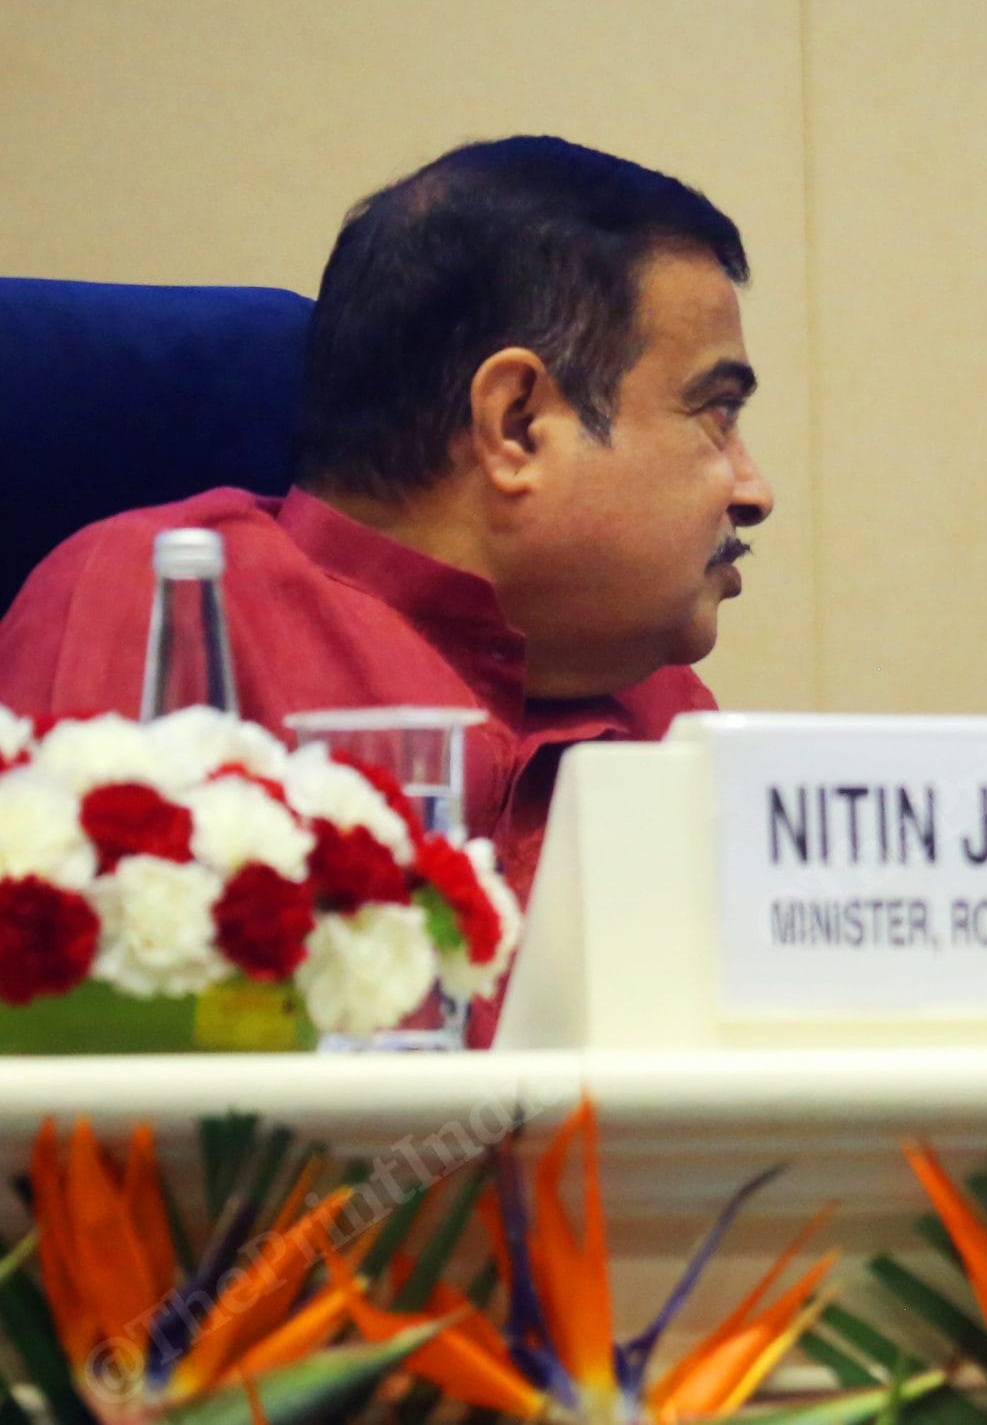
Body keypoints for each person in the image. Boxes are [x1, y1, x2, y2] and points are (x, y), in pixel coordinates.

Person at [0, 136, 776, 948]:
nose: (754, 492)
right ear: (517, 423)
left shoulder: (661, 703)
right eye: (715, 412)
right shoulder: (167, 610)